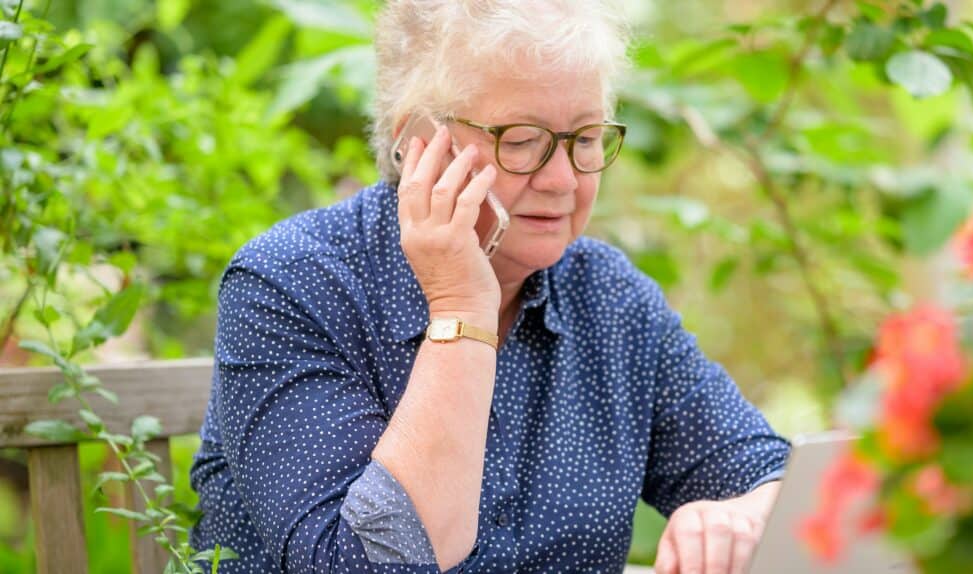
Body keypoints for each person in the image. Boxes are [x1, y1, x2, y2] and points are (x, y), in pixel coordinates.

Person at [189, 1, 791, 572]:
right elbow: (361, 564)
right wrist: (461, 309)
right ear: (416, 145)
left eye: (584, 139)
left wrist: (739, 517)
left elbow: (780, 483)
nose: (563, 180)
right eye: (521, 141)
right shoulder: (293, 284)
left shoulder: (608, 297)